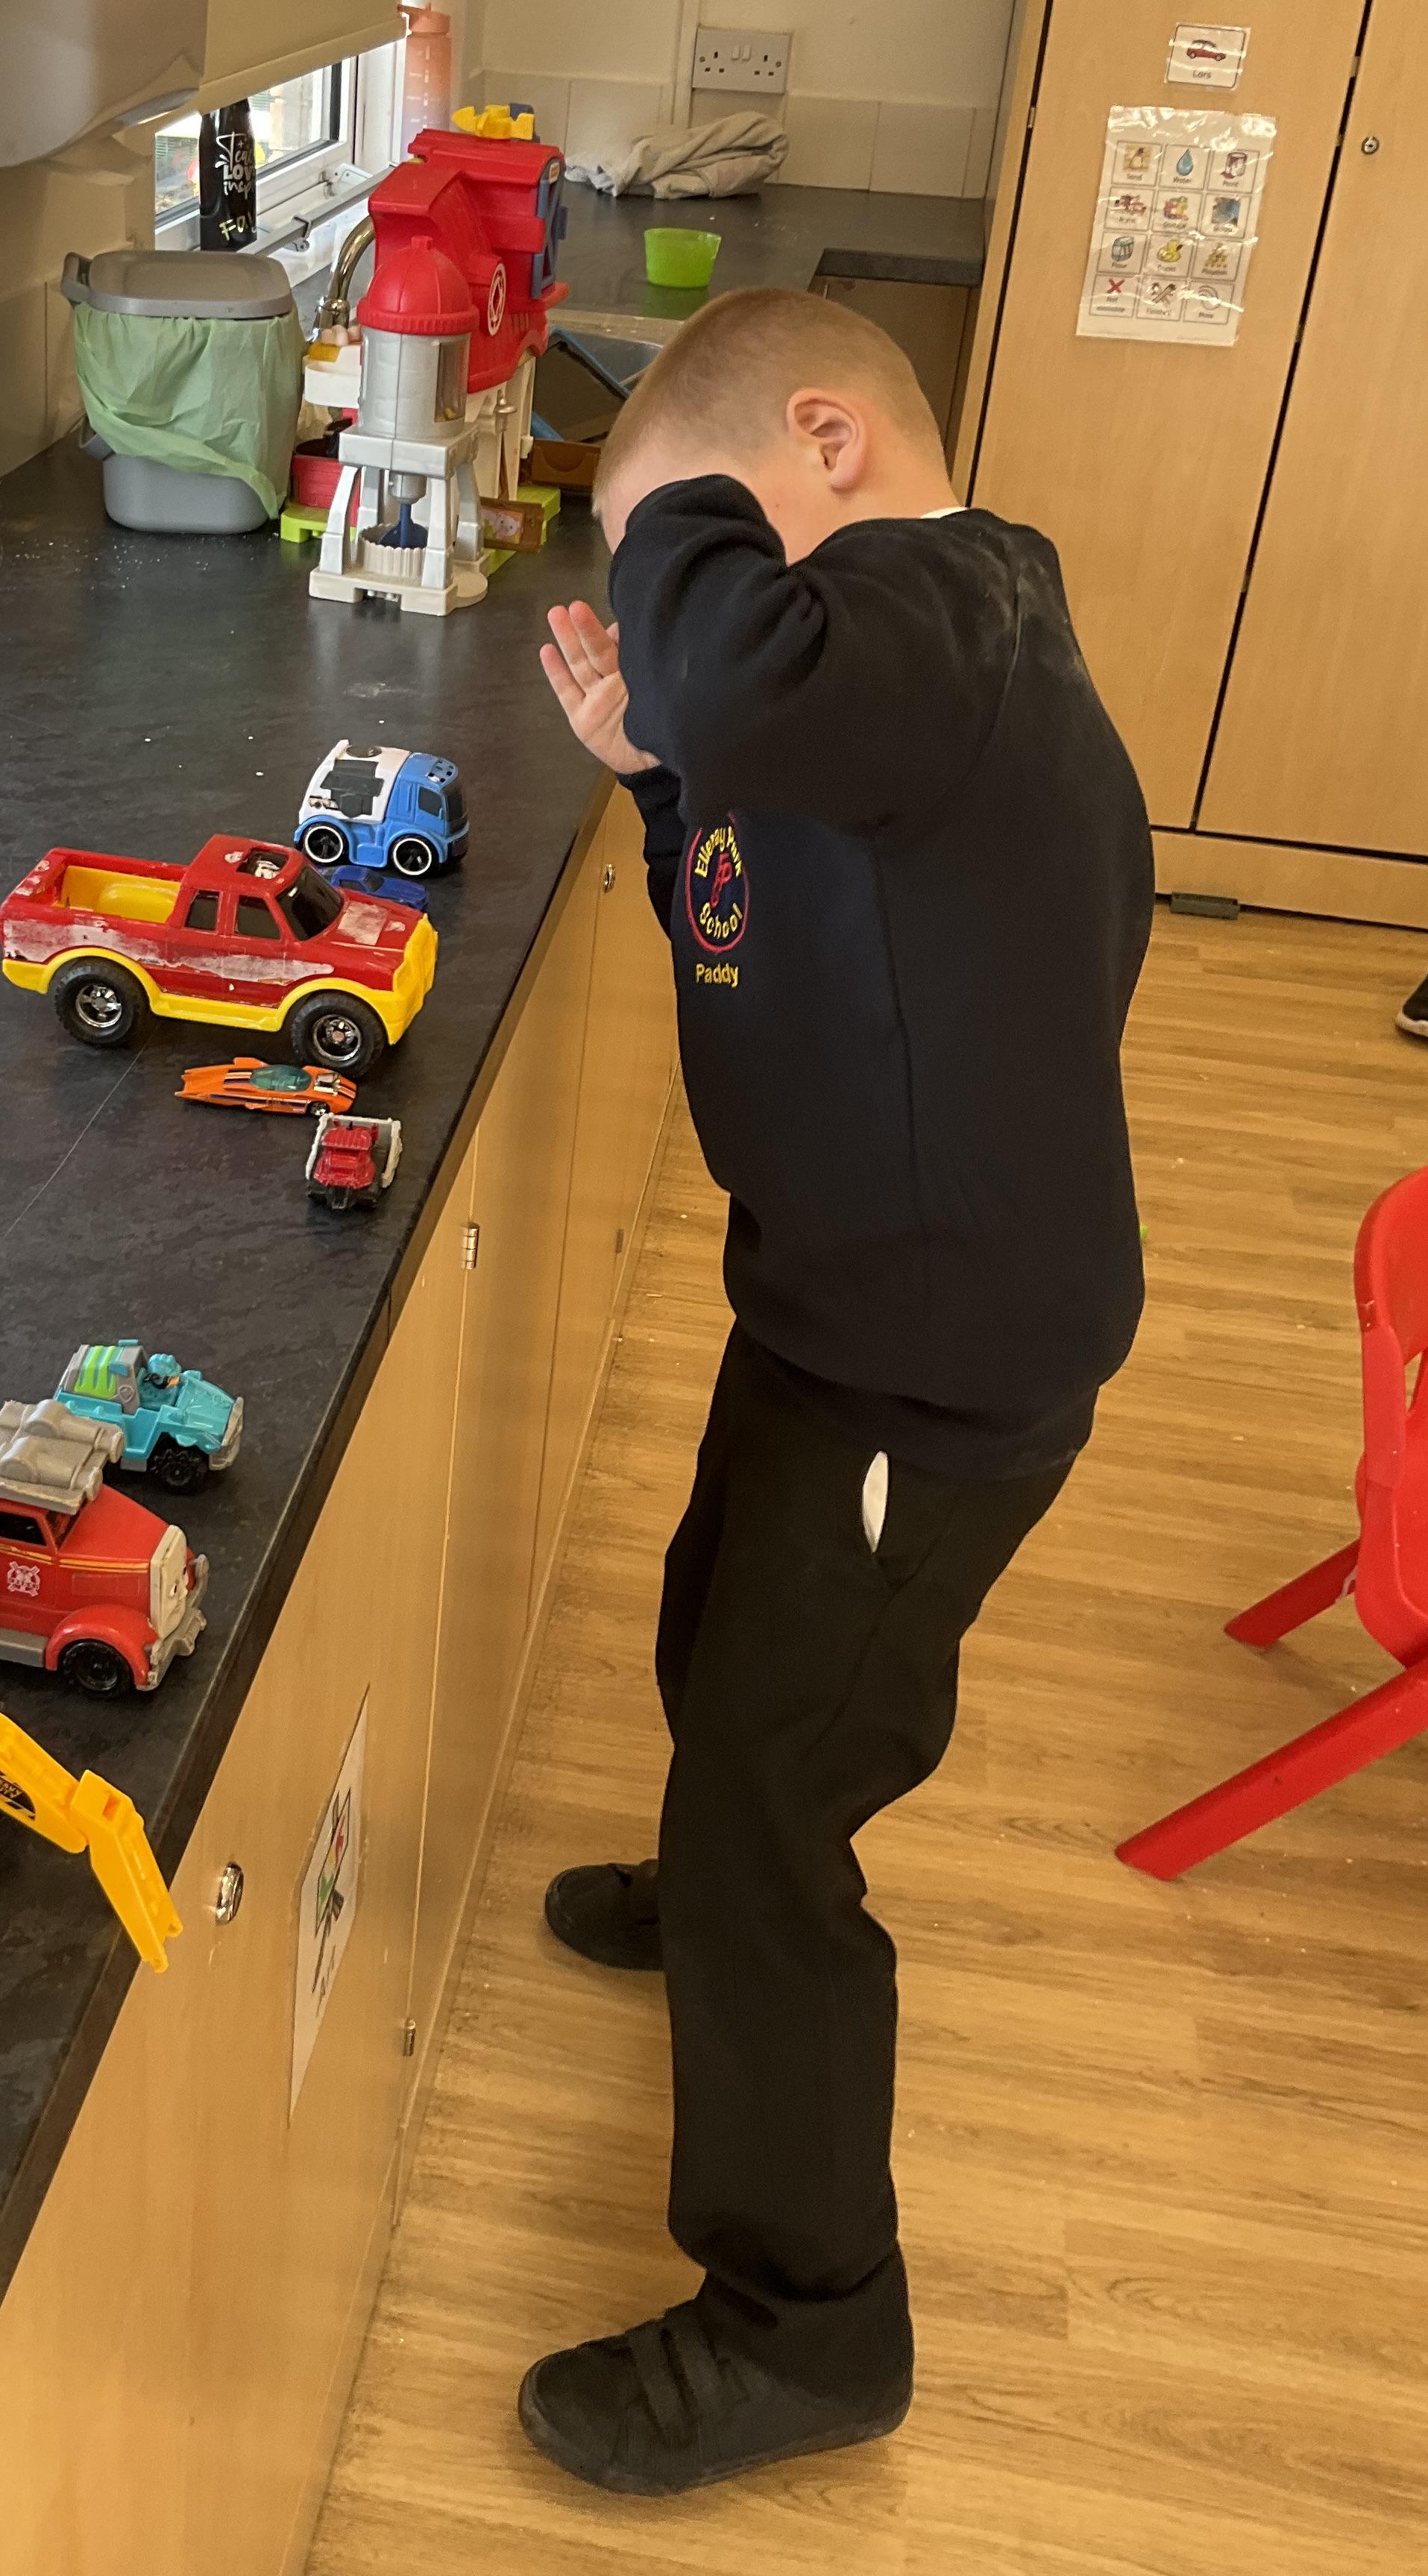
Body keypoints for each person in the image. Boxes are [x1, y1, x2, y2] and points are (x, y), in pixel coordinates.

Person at [523, 286, 1153, 2495]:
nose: (671, 611)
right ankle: (713, 1881)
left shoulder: (953, 613)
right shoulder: (885, 692)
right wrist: (663, 776)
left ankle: (813, 2326)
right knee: (718, 1637)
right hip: (840, 1314)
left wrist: (674, 566)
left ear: (829, 444)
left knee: (775, 1805)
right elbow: (759, 908)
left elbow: (748, 678)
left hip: (931, 1368)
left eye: (689, 548)